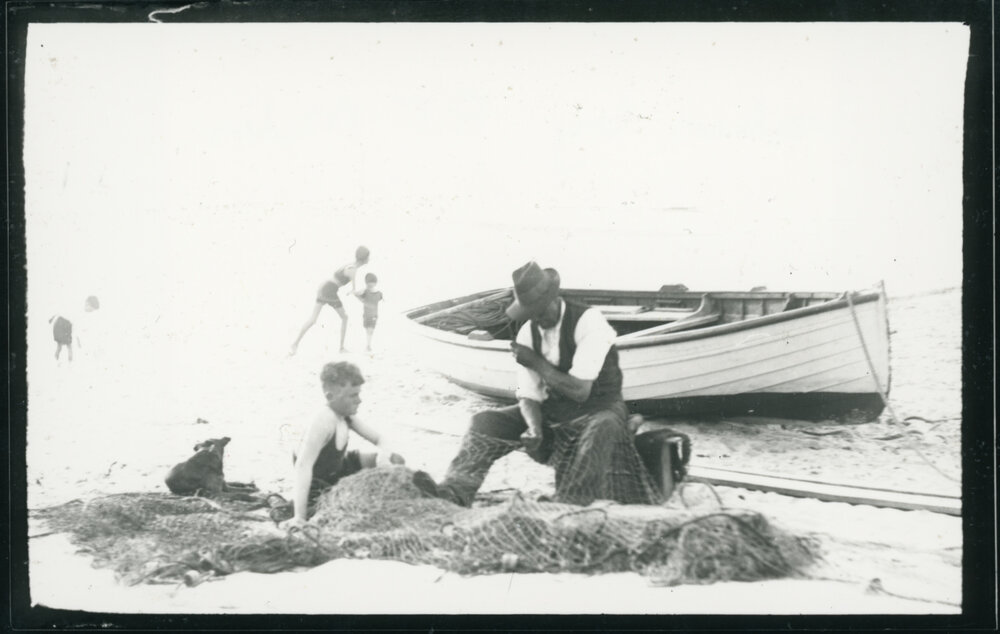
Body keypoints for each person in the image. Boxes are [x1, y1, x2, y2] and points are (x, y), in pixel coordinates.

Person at [413, 261, 661, 507]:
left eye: (541, 310)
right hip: (554, 410)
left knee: (600, 428)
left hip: (599, 408)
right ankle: (454, 493)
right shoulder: (528, 333)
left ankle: (570, 503)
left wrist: (535, 362)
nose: (537, 318)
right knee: (484, 422)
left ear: (555, 299)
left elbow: (580, 391)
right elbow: (528, 395)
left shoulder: (589, 321)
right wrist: (534, 427)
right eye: (530, 313)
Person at [283, 361, 404, 527]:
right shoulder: (323, 421)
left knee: (395, 460)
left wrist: (383, 457)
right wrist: (299, 516)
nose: (359, 400)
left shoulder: (345, 415)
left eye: (359, 394)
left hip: (339, 469)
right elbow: (303, 466)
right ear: (330, 396)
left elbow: (381, 439)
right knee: (345, 514)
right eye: (353, 396)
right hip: (319, 484)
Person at [290, 245, 370, 356]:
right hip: (330, 290)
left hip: (324, 287)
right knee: (345, 317)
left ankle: (295, 344)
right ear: (365, 258)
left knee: (313, 319)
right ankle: (341, 348)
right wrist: (364, 296)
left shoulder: (349, 265)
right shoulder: (353, 270)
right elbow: (354, 291)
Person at [48, 295, 100, 363]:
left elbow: (76, 326)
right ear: (87, 303)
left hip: (68, 326)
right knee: (60, 347)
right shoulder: (77, 306)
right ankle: (56, 361)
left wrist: (78, 340)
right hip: (60, 324)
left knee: (69, 348)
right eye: (91, 310)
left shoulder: (82, 313)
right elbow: (62, 309)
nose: (90, 312)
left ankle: (69, 364)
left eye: (92, 311)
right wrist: (52, 317)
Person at [354, 272, 383, 353]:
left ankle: (368, 345)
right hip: (370, 314)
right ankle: (368, 345)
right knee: (369, 329)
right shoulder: (374, 292)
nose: (370, 284)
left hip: (371, 314)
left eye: (371, 283)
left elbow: (358, 296)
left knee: (369, 330)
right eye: (368, 283)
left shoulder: (371, 292)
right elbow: (360, 297)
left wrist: (358, 294)